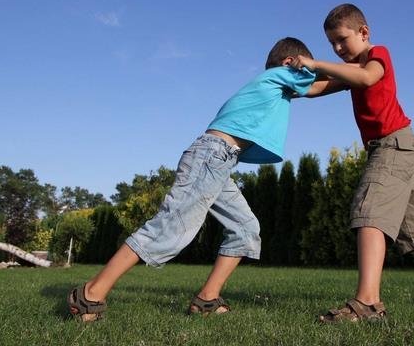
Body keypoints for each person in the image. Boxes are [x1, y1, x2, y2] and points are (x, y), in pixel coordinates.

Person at [68, 37, 317, 322]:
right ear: (290, 63)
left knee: (245, 228)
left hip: (219, 161)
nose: (305, 76)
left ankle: (206, 299)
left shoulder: (275, 85)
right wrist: (360, 76)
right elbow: (319, 85)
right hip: (212, 157)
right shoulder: (279, 75)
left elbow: (316, 86)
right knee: (167, 229)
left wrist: (358, 78)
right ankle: (89, 294)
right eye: (304, 69)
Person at [290, 3, 414, 323]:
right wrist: (287, 85)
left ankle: (367, 304)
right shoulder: (351, 68)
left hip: (394, 145)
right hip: (398, 148)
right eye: (331, 44)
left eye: (342, 39)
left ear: (363, 32)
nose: (338, 49)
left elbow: (367, 78)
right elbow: (317, 88)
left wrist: (315, 62)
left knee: (369, 212)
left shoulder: (377, 54)